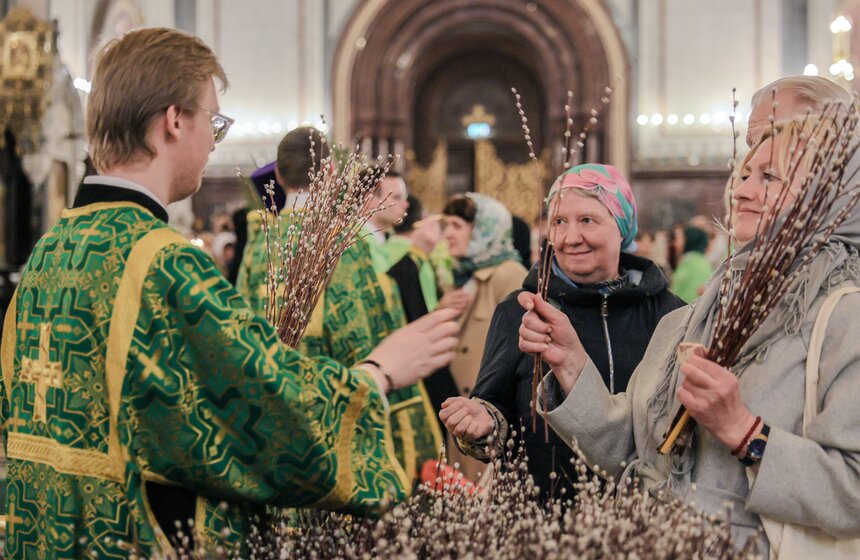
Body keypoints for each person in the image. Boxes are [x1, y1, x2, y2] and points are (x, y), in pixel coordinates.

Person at [0, 28, 459, 558]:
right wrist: (377, 373)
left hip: (49, 536)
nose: (214, 140)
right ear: (174, 120)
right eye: (213, 122)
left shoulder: (51, 251)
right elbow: (263, 406)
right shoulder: (162, 262)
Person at [518, 113, 860, 550]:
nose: (742, 191)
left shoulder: (843, 318)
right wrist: (570, 362)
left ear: (825, 196)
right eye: (744, 175)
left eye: (768, 177)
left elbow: (852, 491)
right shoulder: (689, 319)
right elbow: (635, 451)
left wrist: (745, 431)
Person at [440, 164, 684, 499]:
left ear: (622, 225)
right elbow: (494, 406)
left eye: (587, 220)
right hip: (541, 513)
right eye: (559, 222)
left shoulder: (668, 314)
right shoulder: (522, 309)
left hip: (643, 512)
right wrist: (484, 425)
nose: (570, 238)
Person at [237, 140, 443, 483]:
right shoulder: (341, 241)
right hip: (328, 412)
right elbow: (366, 334)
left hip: (270, 405)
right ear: (331, 174)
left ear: (277, 174)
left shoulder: (260, 241)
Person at [437, 192, 527, 482]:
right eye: (446, 225)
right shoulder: (465, 278)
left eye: (457, 226)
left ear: (486, 229)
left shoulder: (509, 275)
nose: (447, 234)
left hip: (489, 422)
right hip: (466, 423)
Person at [670, 225, 713, 303]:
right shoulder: (694, 260)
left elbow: (689, 297)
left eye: (679, 238)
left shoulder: (694, 263)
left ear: (690, 239)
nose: (675, 243)